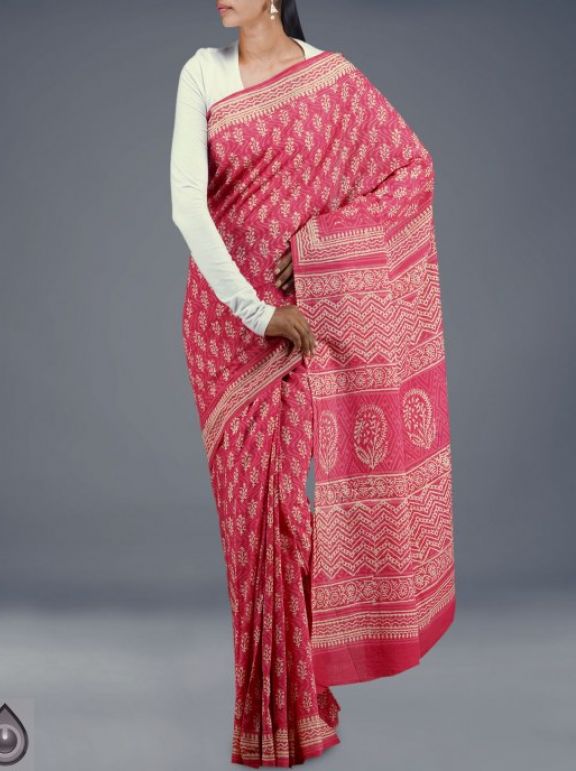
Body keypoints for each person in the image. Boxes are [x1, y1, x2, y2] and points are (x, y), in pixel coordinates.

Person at [170, 1, 457, 767]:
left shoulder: (333, 79)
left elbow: (412, 169)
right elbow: (188, 208)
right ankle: (277, 711)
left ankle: (295, 706)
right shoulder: (202, 74)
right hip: (226, 329)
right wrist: (256, 310)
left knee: (287, 515)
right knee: (249, 531)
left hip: (302, 324)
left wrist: (321, 248)